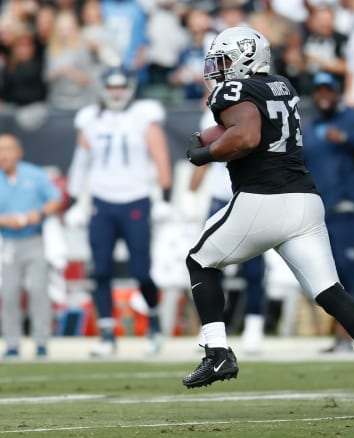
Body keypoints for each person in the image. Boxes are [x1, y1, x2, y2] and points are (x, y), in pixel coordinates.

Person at [182, 27, 354, 420]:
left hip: (264, 199)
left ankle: (218, 352)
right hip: (305, 202)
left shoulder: (234, 92)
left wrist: (205, 154)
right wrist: (212, 137)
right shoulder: (280, 85)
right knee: (331, 293)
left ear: (243, 59)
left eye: (222, 62)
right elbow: (250, 125)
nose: (216, 72)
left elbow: (248, 135)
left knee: (200, 261)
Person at [66, 66, 172, 357]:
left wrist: (164, 196)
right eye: (111, 87)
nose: (115, 93)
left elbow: (160, 156)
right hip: (102, 201)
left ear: (130, 87)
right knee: (100, 270)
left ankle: (153, 322)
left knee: (141, 271)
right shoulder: (90, 118)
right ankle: (107, 334)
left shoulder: (145, 115)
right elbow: (81, 160)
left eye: (120, 87)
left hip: (136, 199)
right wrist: (76, 200)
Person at [302, 71, 354, 352]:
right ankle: (342, 336)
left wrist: (348, 139)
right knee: (331, 276)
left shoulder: (353, 120)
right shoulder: (310, 127)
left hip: (350, 209)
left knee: (351, 270)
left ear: (337, 92)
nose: (323, 95)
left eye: (329, 90)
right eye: (319, 90)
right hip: (321, 213)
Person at [188, 108, 267, 355]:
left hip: (248, 192)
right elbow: (206, 153)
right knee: (209, 264)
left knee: (253, 266)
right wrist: (191, 190)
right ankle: (213, 330)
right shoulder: (210, 112)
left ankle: (254, 325)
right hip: (220, 194)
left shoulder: (254, 107)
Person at [0, 133, 62, 359]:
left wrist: (40, 213)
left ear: (18, 152)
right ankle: (12, 342)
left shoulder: (34, 175)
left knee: (38, 291)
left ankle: (41, 341)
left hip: (34, 239)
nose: (3, 155)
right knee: (9, 293)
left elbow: (55, 199)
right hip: (7, 242)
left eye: (7, 149)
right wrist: (7, 220)